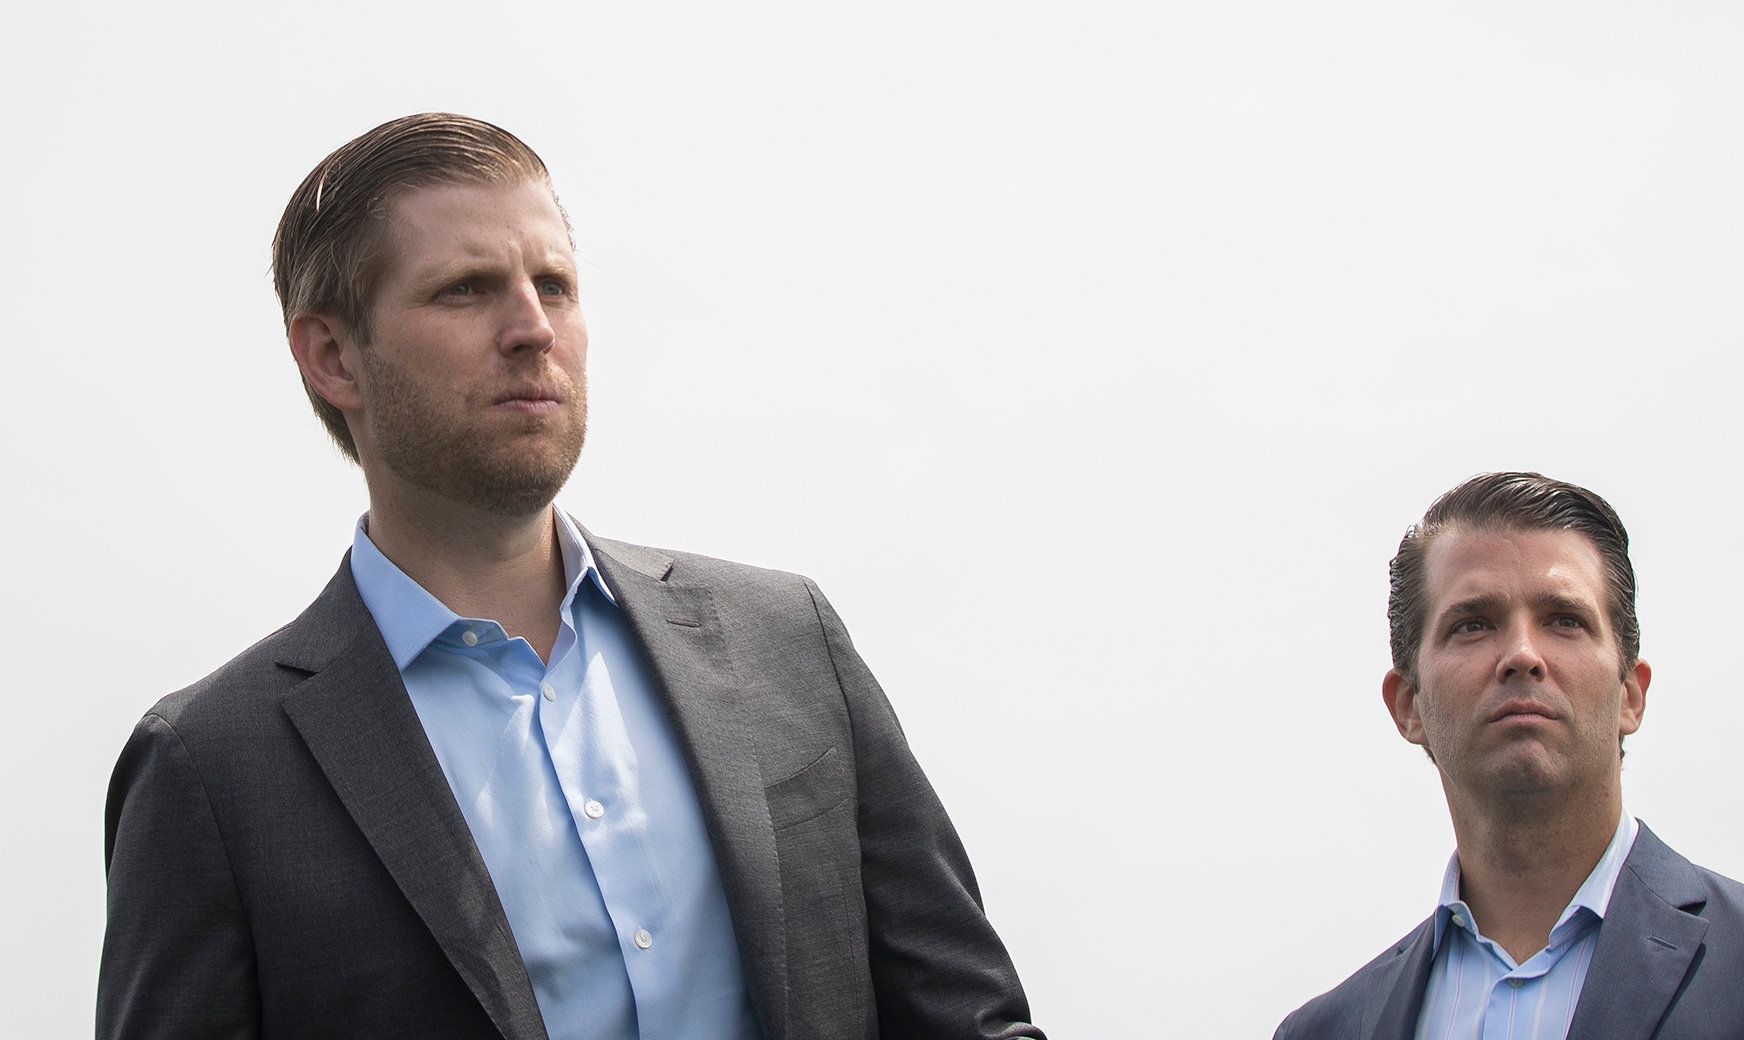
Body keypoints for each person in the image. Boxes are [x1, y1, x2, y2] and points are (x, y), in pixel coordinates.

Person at [97, 113, 1043, 1040]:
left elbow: (969, 1017)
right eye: (466, 290)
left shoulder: (785, 641)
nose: (533, 328)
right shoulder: (213, 769)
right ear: (333, 357)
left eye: (554, 284)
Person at [1276, 472, 1744, 1039]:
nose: (1522, 655)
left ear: (1630, 695)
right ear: (1407, 705)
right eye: (1473, 623)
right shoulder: (1324, 1031)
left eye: (1565, 619)